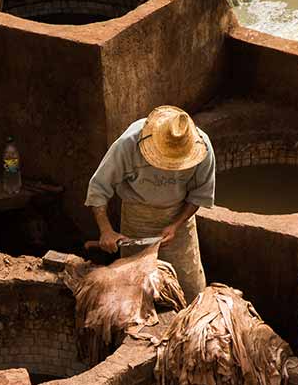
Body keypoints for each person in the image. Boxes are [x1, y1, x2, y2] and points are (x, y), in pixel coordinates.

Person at [85, 105, 214, 298]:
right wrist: (106, 230)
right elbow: (98, 187)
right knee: (135, 291)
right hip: (137, 219)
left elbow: (199, 194)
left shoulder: (202, 147)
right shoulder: (128, 143)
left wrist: (176, 224)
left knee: (189, 289)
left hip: (178, 222)